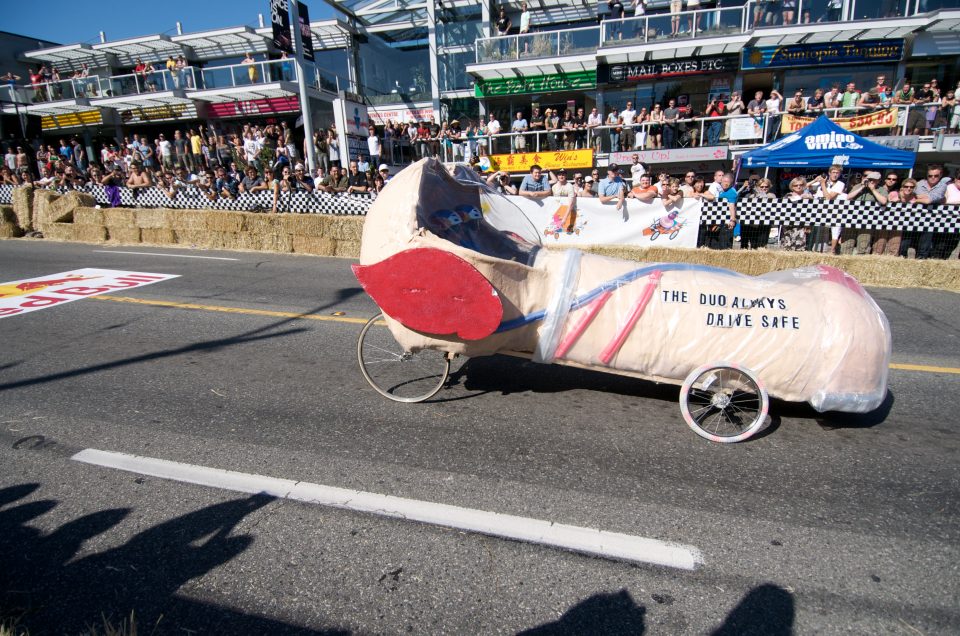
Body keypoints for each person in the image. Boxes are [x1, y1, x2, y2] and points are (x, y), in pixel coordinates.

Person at [903, 164, 951, 259]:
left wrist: (917, 199)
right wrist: (924, 197)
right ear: (927, 175)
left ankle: (921, 259)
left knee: (925, 244)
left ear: (940, 175)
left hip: (932, 219)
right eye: (930, 175)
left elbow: (928, 200)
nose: (932, 178)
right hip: (914, 216)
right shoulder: (920, 183)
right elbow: (914, 195)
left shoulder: (942, 186)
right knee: (906, 240)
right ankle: (902, 256)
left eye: (936, 176)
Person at [810, 165, 846, 253]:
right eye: (833, 172)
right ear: (829, 173)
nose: (835, 175)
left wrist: (822, 184)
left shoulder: (840, 184)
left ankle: (832, 251)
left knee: (835, 230)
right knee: (819, 230)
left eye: (837, 173)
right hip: (820, 209)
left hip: (835, 210)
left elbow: (829, 197)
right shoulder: (824, 181)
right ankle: (816, 249)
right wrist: (815, 180)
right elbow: (805, 187)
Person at [740, 177, 775, 250]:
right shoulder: (752, 196)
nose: (764, 188)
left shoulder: (771, 195)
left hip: (764, 225)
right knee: (754, 246)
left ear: (769, 187)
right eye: (761, 187)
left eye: (766, 186)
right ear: (758, 187)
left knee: (762, 245)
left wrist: (760, 195)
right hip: (753, 225)